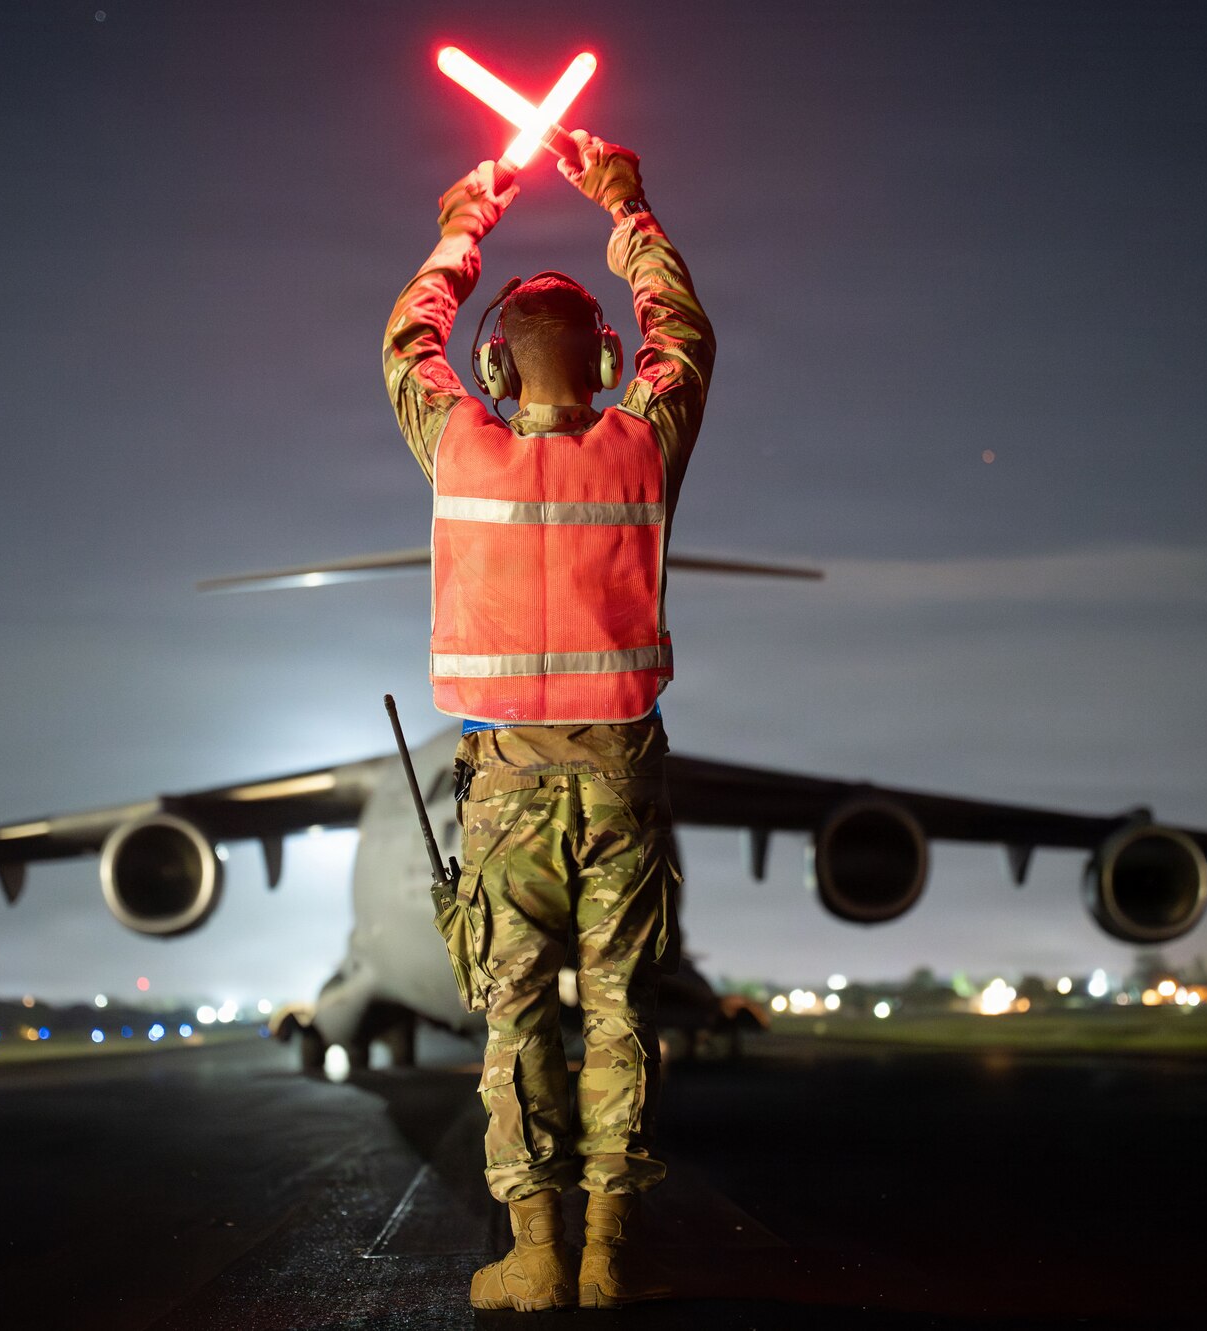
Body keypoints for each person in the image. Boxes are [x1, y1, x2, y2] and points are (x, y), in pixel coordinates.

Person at [383, 131, 714, 1312]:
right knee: (621, 1012)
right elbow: (684, 333)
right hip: (622, 781)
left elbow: (405, 339)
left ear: (491, 363)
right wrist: (624, 200)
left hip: (506, 786)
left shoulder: (456, 445)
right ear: (609, 357)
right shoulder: (638, 448)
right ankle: (608, 1250)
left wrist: (464, 220)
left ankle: (531, 1251)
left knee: (513, 1011)